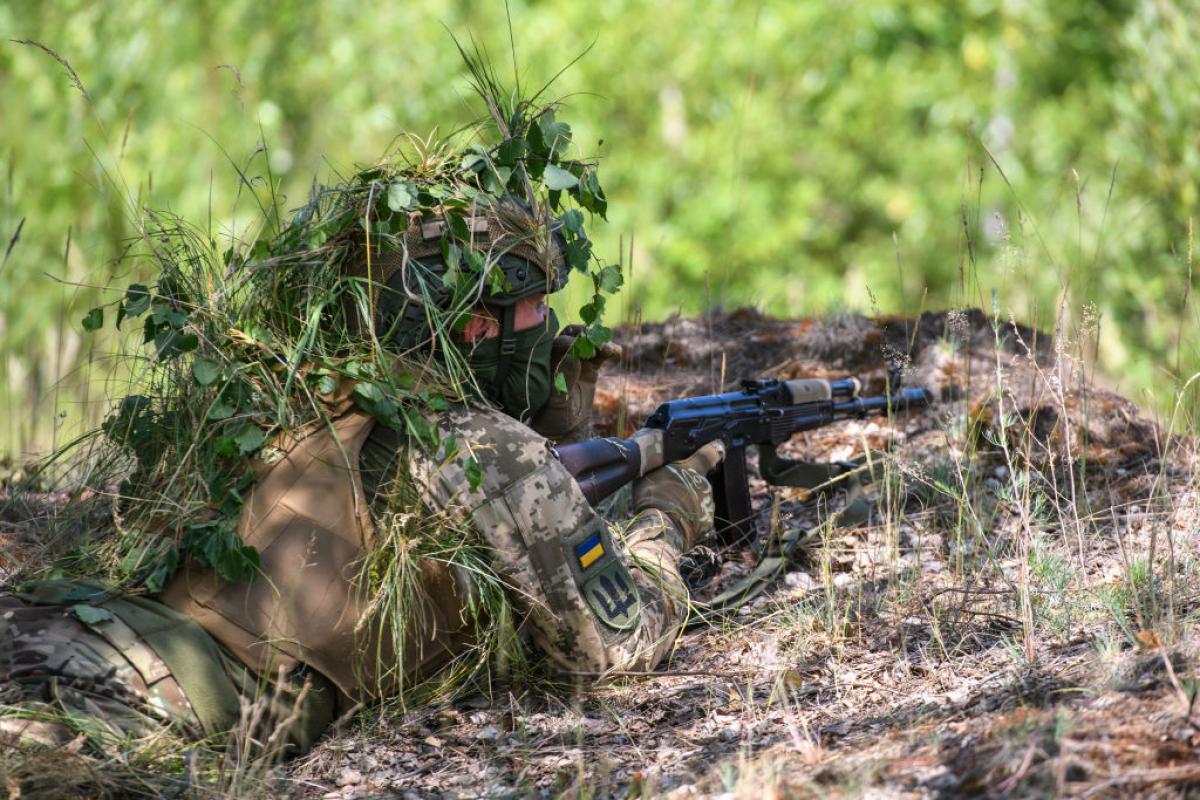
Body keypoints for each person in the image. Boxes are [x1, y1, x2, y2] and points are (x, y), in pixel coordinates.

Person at [0, 201, 724, 755]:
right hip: (141, 706)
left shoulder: (284, 383)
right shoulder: (481, 450)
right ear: (475, 327)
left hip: (59, 625)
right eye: (535, 304)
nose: (550, 319)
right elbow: (609, 649)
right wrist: (666, 519)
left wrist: (559, 438)